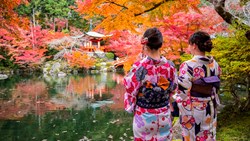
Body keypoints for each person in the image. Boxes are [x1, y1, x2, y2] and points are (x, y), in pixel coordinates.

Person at [123, 27, 177, 140]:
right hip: (164, 116)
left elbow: (130, 89)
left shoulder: (139, 67)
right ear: (160, 44)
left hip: (144, 116)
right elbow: (174, 89)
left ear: (145, 45)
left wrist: (131, 106)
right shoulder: (170, 66)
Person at [176, 31, 221, 140]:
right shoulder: (214, 64)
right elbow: (215, 87)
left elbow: (182, 93)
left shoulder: (187, 65)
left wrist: (175, 101)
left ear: (194, 45)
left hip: (193, 109)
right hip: (210, 107)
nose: (189, 47)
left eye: (189, 44)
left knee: (193, 136)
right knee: (208, 136)